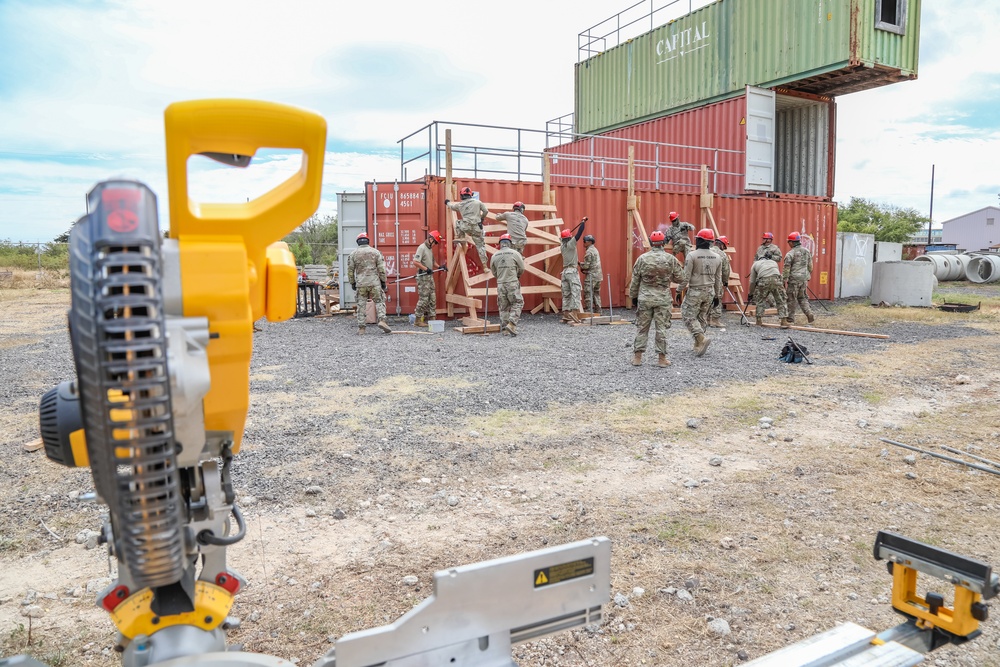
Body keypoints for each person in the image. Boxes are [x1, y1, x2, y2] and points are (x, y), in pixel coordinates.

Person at [629, 230, 686, 367]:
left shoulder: (642, 259)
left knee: (642, 328)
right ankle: (661, 359)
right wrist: (668, 276)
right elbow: (681, 278)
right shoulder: (670, 259)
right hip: (663, 299)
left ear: (651, 242)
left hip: (645, 298)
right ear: (663, 243)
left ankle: (637, 358)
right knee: (661, 329)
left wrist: (633, 297)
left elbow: (635, 280)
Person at [681, 228, 722, 357]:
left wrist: (678, 290)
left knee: (688, 316)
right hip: (710, 291)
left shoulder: (692, 255)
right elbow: (718, 279)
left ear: (699, 240)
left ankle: (701, 339)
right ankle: (698, 345)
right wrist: (717, 295)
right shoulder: (717, 257)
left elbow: (686, 276)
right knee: (701, 317)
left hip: (696, 291)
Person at [347, 232, 391, 335]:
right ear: (368, 241)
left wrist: (352, 282)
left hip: (361, 284)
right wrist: (383, 281)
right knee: (379, 301)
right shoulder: (376, 252)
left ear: (358, 242)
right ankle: (382, 321)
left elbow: (350, 270)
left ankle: (362, 328)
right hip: (374, 283)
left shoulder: (353, 254)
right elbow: (381, 269)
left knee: (361, 304)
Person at [489, 233, 525, 336]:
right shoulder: (515, 254)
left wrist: (500, 277)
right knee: (518, 302)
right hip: (512, 283)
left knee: (503, 306)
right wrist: (516, 276)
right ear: (510, 243)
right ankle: (511, 323)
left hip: (500, 284)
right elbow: (522, 268)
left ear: (500, 244)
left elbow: (494, 271)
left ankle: (505, 329)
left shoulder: (494, 255)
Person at [445, 186, 490, 267]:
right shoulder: (478, 202)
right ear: (471, 194)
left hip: (466, 227)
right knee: (480, 246)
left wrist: (447, 202)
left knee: (458, 222)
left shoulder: (460, 205)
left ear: (462, 196)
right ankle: (485, 266)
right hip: (477, 228)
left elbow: (451, 207)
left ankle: (461, 237)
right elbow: (486, 211)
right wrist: (481, 219)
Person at [412, 230, 446, 327]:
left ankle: (432, 319)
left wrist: (440, 267)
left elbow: (432, 262)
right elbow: (415, 262)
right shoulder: (422, 248)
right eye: (435, 242)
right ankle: (417, 320)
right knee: (424, 299)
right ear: (430, 239)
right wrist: (426, 269)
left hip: (429, 277)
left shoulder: (429, 249)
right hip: (423, 278)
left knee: (432, 298)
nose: (435, 244)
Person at [748, 256, 789, 328]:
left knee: (761, 300)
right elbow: (777, 274)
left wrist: (750, 293)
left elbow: (752, 282)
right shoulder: (773, 262)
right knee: (780, 300)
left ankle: (758, 320)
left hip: (764, 281)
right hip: (776, 280)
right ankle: (783, 321)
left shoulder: (755, 264)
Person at [559, 217, 587, 323]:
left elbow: (563, 238)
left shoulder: (562, 246)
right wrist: (583, 223)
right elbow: (579, 234)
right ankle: (574, 313)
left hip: (564, 272)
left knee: (566, 294)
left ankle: (566, 314)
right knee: (575, 292)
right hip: (572, 272)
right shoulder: (571, 244)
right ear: (570, 237)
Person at [783, 231, 815, 324]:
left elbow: (786, 270)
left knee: (791, 299)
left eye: (788, 241)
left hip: (794, 280)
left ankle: (790, 318)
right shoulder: (807, 251)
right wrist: (806, 276)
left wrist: (783, 280)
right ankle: (809, 314)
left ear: (792, 242)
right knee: (802, 298)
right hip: (804, 279)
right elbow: (810, 267)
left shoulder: (790, 254)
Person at [708, 234, 732, 328]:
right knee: (717, 297)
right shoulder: (722, 255)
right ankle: (715, 320)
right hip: (716, 279)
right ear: (722, 245)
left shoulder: (707, 251)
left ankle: (706, 319)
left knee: (707, 298)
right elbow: (726, 270)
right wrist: (725, 281)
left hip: (705, 279)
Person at [580, 234, 603, 314]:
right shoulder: (595, 250)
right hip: (598, 276)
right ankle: (598, 310)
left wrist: (580, 264)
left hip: (591, 276)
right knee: (596, 294)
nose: (583, 243)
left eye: (585, 241)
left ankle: (589, 312)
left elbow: (586, 266)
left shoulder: (589, 252)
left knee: (588, 293)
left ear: (589, 242)